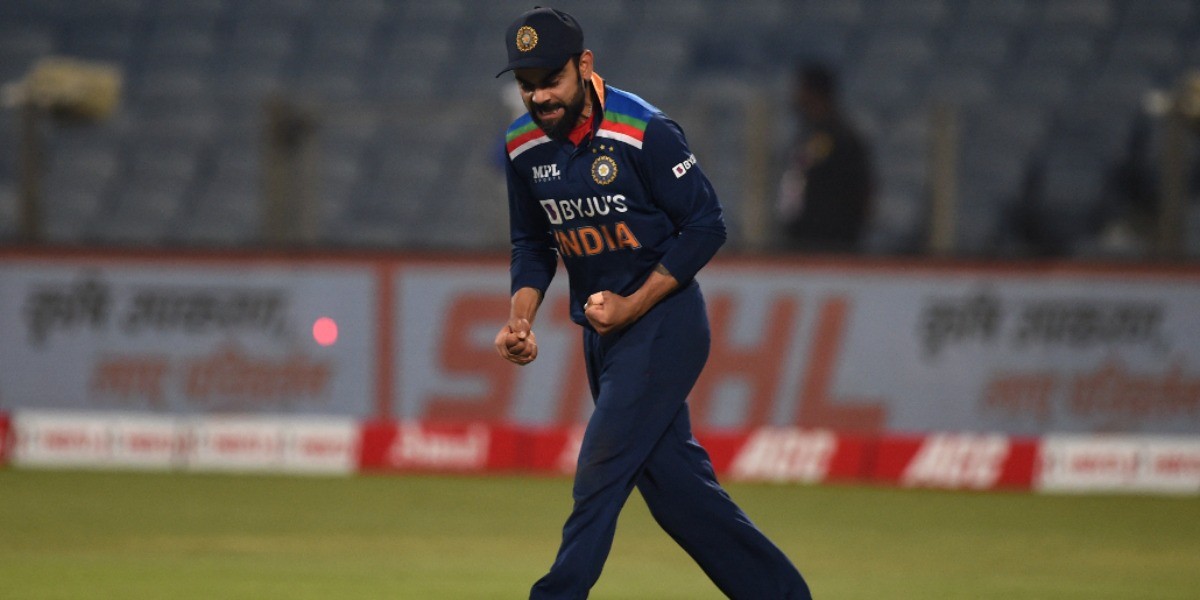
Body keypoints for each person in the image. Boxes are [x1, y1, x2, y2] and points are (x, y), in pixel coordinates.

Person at [492, 7, 812, 599]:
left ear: (584, 65)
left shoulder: (644, 130)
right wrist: (520, 319)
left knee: (600, 468)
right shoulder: (521, 145)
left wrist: (634, 304)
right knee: (679, 496)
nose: (540, 97)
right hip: (603, 336)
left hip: (665, 323)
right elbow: (532, 243)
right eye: (527, 85)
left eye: (551, 80)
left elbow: (707, 225)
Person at [776, 62, 874, 253]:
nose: (795, 95)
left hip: (832, 242)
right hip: (800, 239)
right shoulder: (805, 135)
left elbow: (863, 190)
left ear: (814, 92)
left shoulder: (842, 137)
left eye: (801, 89)